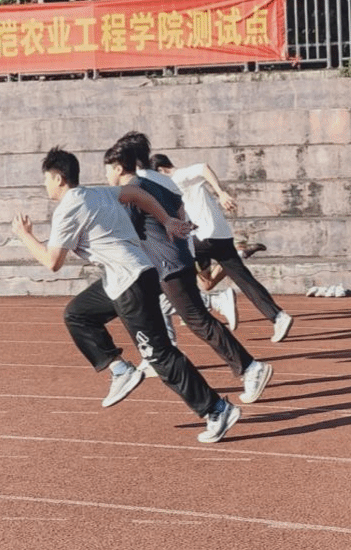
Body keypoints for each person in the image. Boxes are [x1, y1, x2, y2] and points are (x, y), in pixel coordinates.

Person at [11, 146, 241, 443]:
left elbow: (52, 262)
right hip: (131, 276)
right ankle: (119, 368)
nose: (45, 185)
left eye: (46, 179)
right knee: (78, 314)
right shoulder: (96, 193)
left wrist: (25, 236)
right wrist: (166, 219)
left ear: (58, 178)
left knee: (159, 355)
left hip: (130, 282)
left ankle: (216, 409)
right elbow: (136, 194)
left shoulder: (68, 209)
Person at [103, 139, 274, 405]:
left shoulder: (132, 192)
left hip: (167, 263)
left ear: (118, 167)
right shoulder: (156, 183)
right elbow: (179, 208)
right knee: (167, 309)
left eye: (107, 169)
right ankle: (157, 356)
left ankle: (250, 367)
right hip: (177, 256)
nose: (105, 175)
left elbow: (129, 232)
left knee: (197, 320)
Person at [150, 152, 294, 342]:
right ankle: (278, 316)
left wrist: (221, 193)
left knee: (171, 259)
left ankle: (213, 301)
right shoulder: (175, 184)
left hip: (205, 236)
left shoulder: (179, 176)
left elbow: (203, 167)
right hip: (220, 235)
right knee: (239, 280)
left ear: (161, 170)